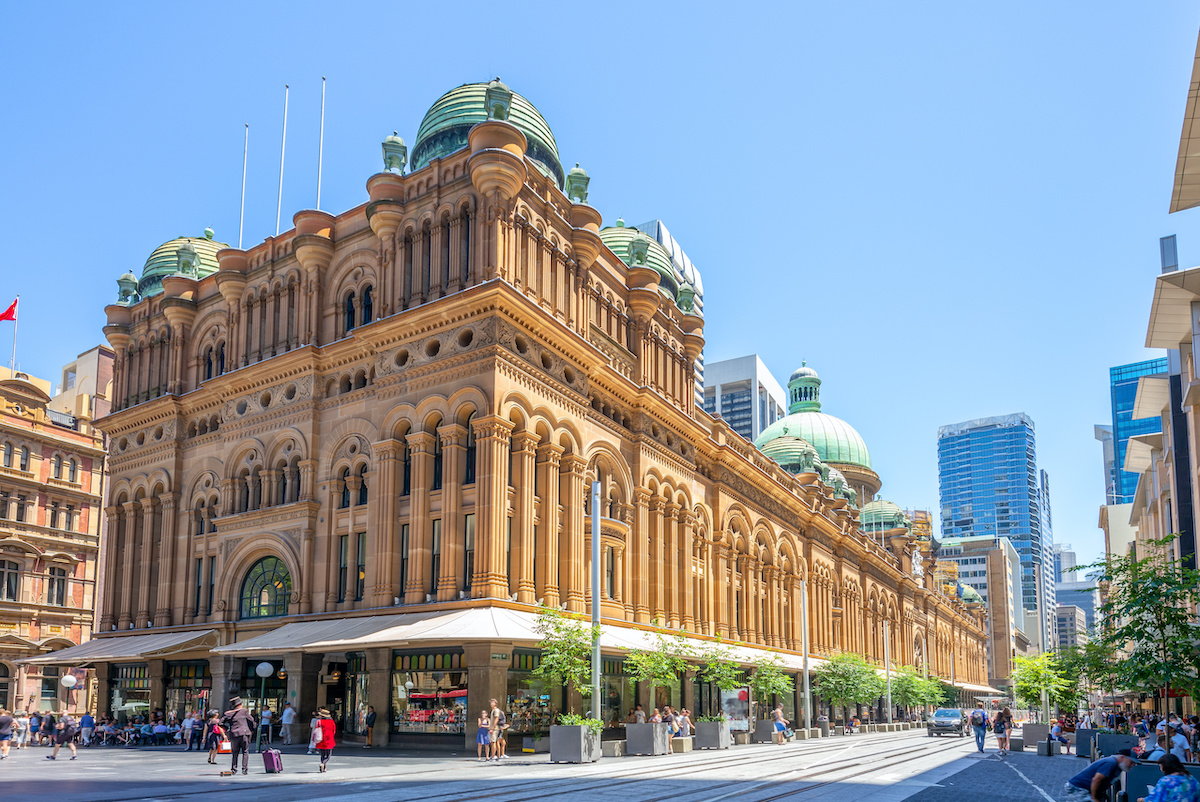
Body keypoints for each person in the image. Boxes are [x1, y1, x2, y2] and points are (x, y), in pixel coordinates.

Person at [1064, 750, 1136, 802]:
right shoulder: (1111, 763)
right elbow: (1097, 779)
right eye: (1131, 762)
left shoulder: (1118, 767)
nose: (1132, 765)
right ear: (1122, 757)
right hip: (1079, 787)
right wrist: (1094, 797)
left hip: (1085, 788)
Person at [221, 696, 255, 776]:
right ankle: (244, 769)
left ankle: (234, 769)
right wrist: (251, 729)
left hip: (234, 734)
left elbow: (220, 722)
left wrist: (227, 729)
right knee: (245, 751)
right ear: (240, 704)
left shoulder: (228, 713)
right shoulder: (244, 711)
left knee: (235, 752)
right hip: (244, 733)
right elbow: (251, 720)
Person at [314, 708, 336, 773]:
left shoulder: (319, 721)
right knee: (328, 754)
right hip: (329, 739)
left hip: (320, 739)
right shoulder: (331, 722)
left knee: (322, 754)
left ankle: (323, 766)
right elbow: (334, 730)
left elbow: (316, 729)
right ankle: (323, 763)